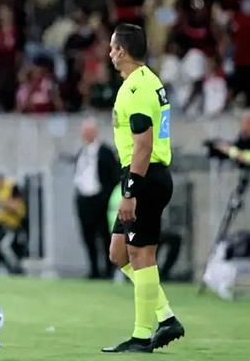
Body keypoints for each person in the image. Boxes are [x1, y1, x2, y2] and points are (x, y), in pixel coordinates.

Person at [102, 24, 184, 353]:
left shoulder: (135, 89)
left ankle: (141, 335)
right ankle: (165, 317)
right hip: (145, 175)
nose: (109, 53)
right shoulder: (148, 80)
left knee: (141, 254)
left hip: (145, 177)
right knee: (118, 253)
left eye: (112, 47)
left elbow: (143, 145)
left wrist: (130, 192)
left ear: (122, 51)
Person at [73, 118, 120, 279]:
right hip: (83, 199)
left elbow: (113, 176)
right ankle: (93, 269)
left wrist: (106, 196)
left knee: (104, 236)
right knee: (87, 235)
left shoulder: (105, 152)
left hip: (100, 199)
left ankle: (108, 270)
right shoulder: (81, 152)